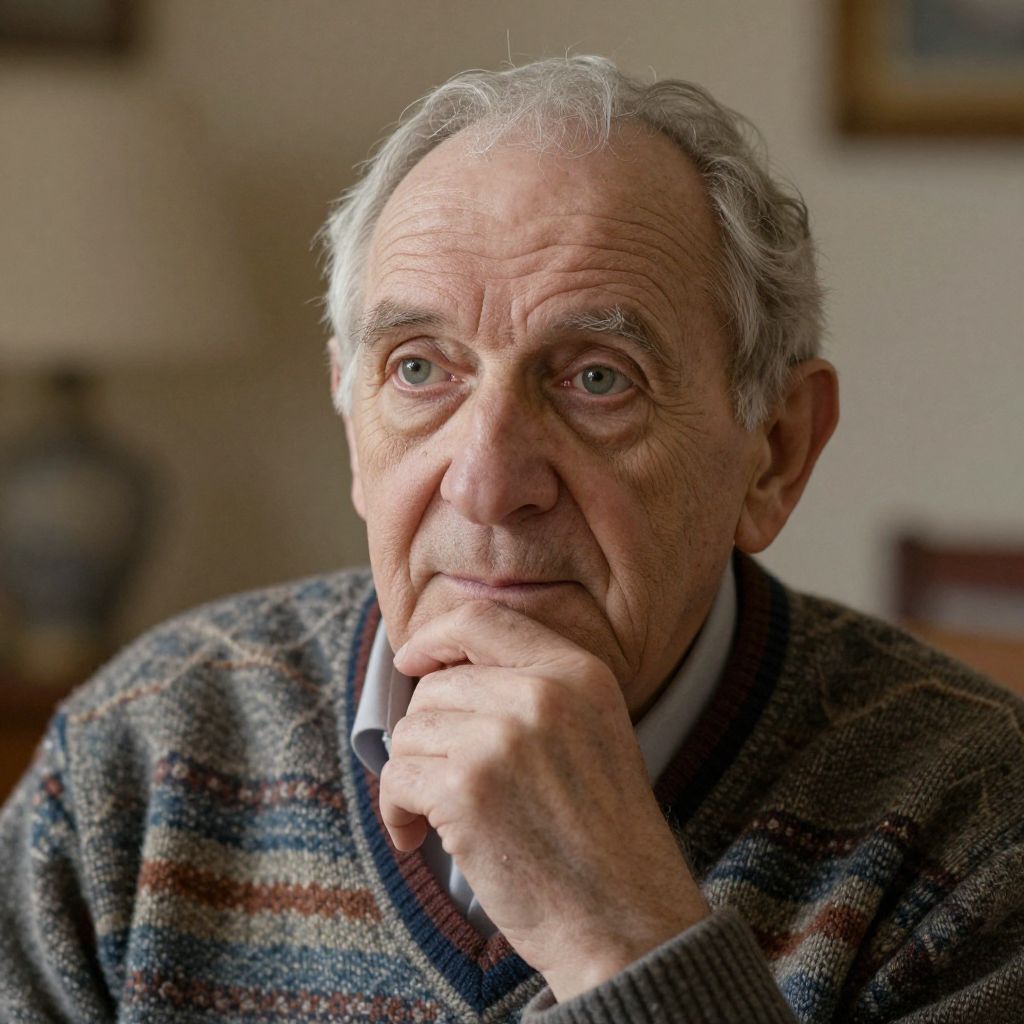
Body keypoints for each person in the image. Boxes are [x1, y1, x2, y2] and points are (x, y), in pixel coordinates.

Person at [1, 56, 1022, 1024]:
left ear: (774, 453)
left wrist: (625, 937)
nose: (486, 485)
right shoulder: (137, 756)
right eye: (418, 369)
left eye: (597, 378)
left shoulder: (981, 828)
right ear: (351, 421)